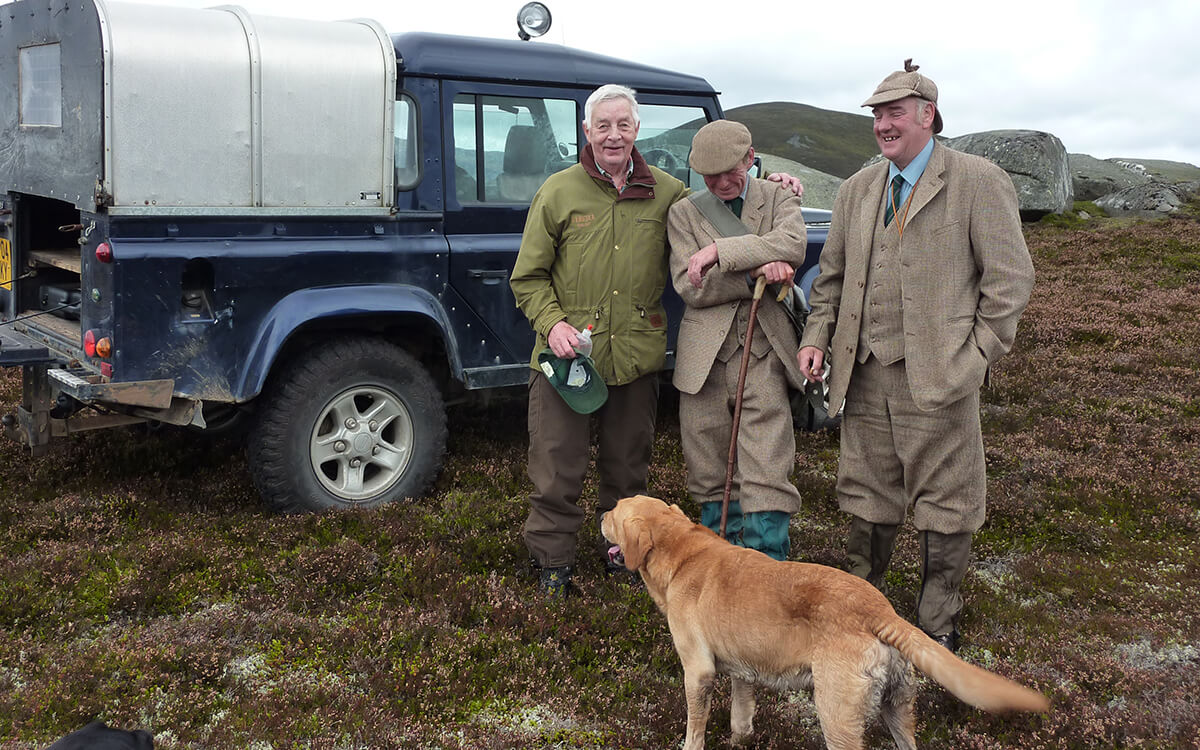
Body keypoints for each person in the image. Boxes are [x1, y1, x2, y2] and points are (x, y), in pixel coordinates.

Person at [511, 84, 802, 597]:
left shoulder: (670, 193)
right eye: (603, 125)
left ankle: (619, 558)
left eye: (623, 124)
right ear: (587, 131)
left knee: (627, 473)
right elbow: (527, 278)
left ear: (637, 129)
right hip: (568, 359)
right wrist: (553, 324)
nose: (613, 135)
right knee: (556, 472)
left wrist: (771, 183)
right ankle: (553, 565)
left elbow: (728, 197)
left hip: (635, 360)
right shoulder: (557, 191)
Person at [796, 60, 1034, 652]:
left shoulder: (978, 180)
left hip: (942, 374)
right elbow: (831, 280)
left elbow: (1009, 279)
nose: (883, 124)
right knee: (866, 492)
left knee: (947, 503)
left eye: (894, 112)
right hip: (864, 373)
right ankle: (858, 615)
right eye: (877, 114)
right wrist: (815, 340)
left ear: (928, 115)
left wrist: (975, 356)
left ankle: (937, 626)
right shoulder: (856, 190)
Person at [667, 119, 807, 561]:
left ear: (751, 158)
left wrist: (718, 254)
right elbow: (690, 287)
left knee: (767, 465)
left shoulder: (779, 196)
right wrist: (754, 269)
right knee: (708, 466)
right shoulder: (683, 213)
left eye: (732, 171)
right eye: (711, 176)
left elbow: (793, 243)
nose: (723, 183)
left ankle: (767, 567)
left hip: (765, 350)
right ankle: (717, 569)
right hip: (702, 362)